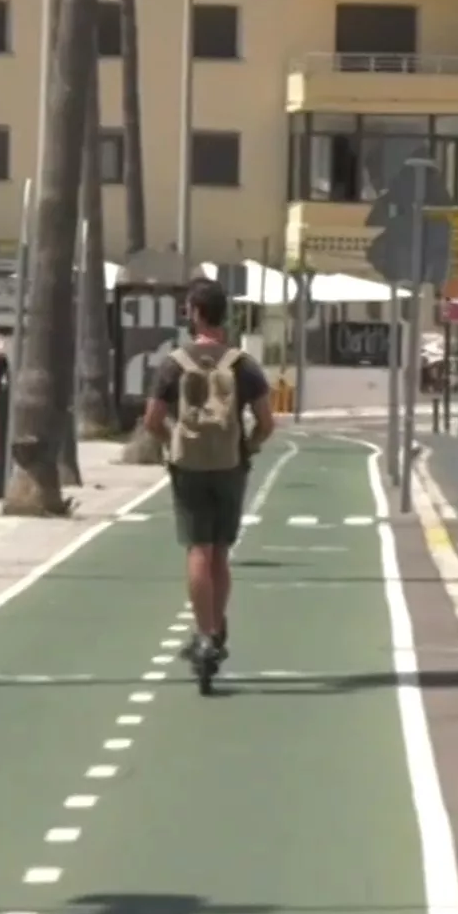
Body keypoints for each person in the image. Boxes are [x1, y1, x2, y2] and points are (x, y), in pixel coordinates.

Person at [144, 278, 275, 676]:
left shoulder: (174, 362)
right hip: (229, 466)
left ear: (196, 313)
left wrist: (175, 445)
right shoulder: (242, 364)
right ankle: (217, 630)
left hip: (190, 469)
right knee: (220, 551)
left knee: (197, 549)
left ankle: (203, 633)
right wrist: (246, 448)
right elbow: (267, 422)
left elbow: (151, 420)